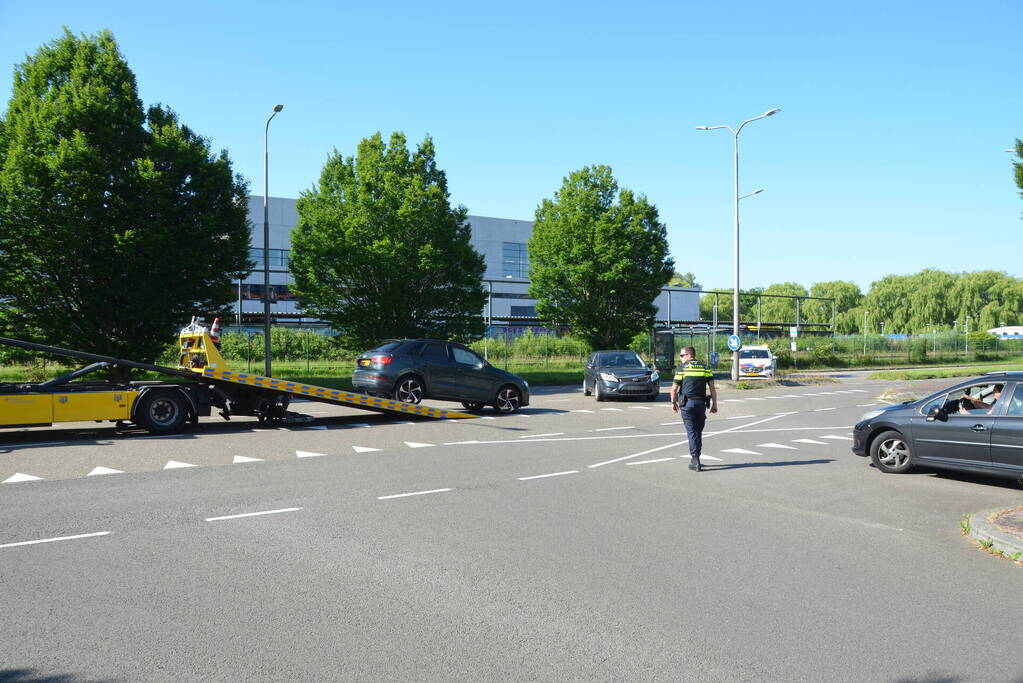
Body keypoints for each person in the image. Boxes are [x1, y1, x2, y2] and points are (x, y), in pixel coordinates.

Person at [670, 346, 718, 472]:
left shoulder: (682, 369)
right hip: (701, 404)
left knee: (692, 432)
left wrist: (673, 403)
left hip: (687, 405)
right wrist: (714, 404)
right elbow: (712, 388)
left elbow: (674, 389)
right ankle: (696, 458)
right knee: (698, 431)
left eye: (681, 355)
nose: (680, 358)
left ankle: (695, 460)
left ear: (689, 355)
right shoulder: (705, 367)